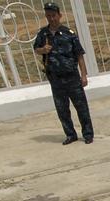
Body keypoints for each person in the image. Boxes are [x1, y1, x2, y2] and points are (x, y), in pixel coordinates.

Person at [33, 2, 94, 145]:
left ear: (59, 16)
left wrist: (83, 75)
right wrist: (43, 50)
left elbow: (79, 55)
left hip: (71, 76)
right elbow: (36, 49)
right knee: (62, 109)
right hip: (55, 78)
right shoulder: (43, 34)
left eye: (54, 15)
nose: (51, 18)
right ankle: (70, 134)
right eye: (48, 16)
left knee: (81, 107)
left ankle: (88, 134)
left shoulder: (69, 34)